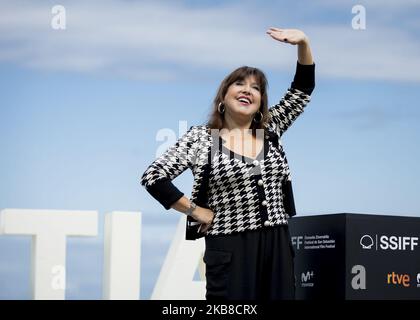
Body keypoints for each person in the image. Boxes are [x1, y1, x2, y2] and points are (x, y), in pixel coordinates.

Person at [141, 27, 315, 300]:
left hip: (278, 244)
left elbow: (302, 89)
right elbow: (153, 177)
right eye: (240, 84)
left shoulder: (270, 128)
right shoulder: (201, 139)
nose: (248, 90)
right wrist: (195, 211)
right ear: (223, 96)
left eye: (256, 88)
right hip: (230, 248)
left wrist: (303, 42)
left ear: (261, 104)